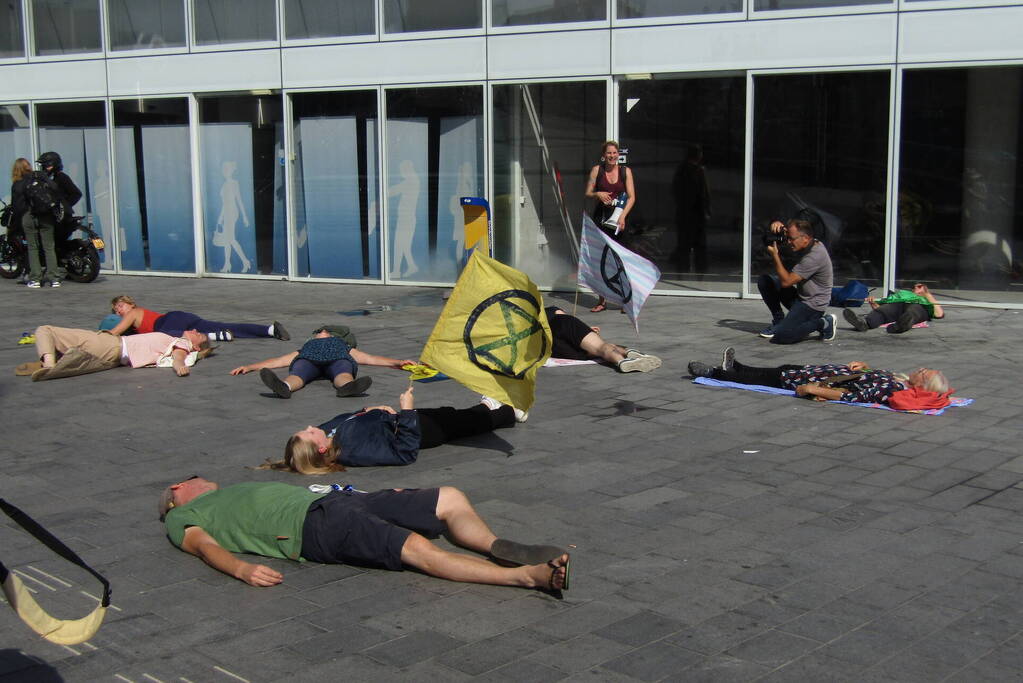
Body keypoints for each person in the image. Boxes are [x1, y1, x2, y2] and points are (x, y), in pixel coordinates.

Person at [158, 477, 570, 593]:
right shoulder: (183, 516)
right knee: (416, 549)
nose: (204, 479)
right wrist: (241, 570)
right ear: (178, 491)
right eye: (195, 478)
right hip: (312, 527)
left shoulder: (229, 492)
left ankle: (493, 545)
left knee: (449, 496)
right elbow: (206, 547)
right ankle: (524, 576)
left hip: (342, 501)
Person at [261, 385, 520, 471]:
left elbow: (350, 419)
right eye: (307, 432)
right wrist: (407, 411)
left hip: (400, 419)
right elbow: (404, 453)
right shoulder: (352, 451)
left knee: (453, 415)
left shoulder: (328, 433)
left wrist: (369, 411)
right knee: (468, 424)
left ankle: (488, 406)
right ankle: (509, 413)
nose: (309, 426)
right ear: (319, 447)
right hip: (420, 431)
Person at [688, 347, 949, 405]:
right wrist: (865, 366)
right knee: (779, 370)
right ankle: (737, 366)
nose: (922, 369)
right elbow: (867, 378)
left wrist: (814, 390)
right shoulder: (897, 379)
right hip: (821, 371)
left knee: (768, 379)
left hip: (816, 380)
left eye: (926, 374)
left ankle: (716, 373)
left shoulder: (893, 390)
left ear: (923, 385)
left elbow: (854, 395)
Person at [230, 326, 414, 398]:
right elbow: (280, 361)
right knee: (297, 374)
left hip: (338, 359)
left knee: (343, 373)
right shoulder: (306, 347)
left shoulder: (342, 346)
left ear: (336, 337)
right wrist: (250, 367)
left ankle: (347, 387)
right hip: (309, 360)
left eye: (324, 331)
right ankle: (284, 387)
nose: (321, 332)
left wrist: (397, 362)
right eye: (319, 332)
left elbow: (369, 358)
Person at [25, 326, 209, 380]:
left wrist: (180, 368)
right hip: (113, 353)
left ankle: (48, 364)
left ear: (197, 347)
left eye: (198, 334)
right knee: (60, 342)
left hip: (111, 345)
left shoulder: (182, 344)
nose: (194, 330)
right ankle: (53, 359)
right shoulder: (174, 341)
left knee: (44, 330)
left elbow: (179, 357)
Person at [757, 218, 835, 344]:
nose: (788, 242)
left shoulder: (815, 256)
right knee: (765, 281)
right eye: (788, 237)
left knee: (782, 336)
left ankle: (823, 323)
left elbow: (786, 282)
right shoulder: (805, 242)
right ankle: (779, 320)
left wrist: (775, 256)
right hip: (800, 298)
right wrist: (775, 223)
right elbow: (792, 230)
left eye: (791, 239)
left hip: (812, 306)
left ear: (806, 238)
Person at [585, 140, 636, 312]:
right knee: (601, 258)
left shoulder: (625, 171)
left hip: (620, 218)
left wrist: (623, 216)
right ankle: (602, 301)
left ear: (618, 155)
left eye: (615, 153)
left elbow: (631, 196)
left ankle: (625, 300)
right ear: (604, 155)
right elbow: (588, 192)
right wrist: (597, 193)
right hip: (601, 218)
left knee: (621, 258)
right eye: (609, 153)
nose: (612, 156)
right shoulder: (596, 171)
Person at [108, 295, 288, 342]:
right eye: (116, 311)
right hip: (182, 318)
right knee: (223, 325)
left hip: (168, 323)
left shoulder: (133, 313)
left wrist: (97, 336)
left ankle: (212, 337)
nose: (119, 312)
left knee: (164, 336)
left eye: (120, 307)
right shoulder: (132, 316)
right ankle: (269, 330)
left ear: (130, 304)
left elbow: (115, 332)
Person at [22, 151, 81, 288]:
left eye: (46, 165)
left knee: (41, 247)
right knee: (49, 247)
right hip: (50, 217)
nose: (44, 167)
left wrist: (63, 206)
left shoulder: (57, 178)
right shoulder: (44, 177)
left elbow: (76, 194)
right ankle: (54, 277)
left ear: (53, 165)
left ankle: (39, 276)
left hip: (56, 218)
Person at [545, 306, 660, 373]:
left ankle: (629, 355)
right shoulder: (549, 311)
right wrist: (586, 328)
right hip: (563, 325)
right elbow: (562, 316)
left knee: (588, 352)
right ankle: (623, 359)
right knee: (600, 346)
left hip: (553, 346)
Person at [844, 283, 945, 334]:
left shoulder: (925, 299)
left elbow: (939, 314)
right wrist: (875, 305)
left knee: (913, 311)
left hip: (918, 307)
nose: (916, 287)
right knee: (884, 310)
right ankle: (864, 323)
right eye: (915, 286)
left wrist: (926, 293)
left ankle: (900, 326)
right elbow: (883, 308)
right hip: (898, 304)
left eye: (919, 286)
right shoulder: (902, 293)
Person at [672, 144, 711, 275]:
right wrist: (706, 210)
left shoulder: (681, 170)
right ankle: (698, 270)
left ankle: (685, 269)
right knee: (697, 244)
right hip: (694, 212)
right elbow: (703, 193)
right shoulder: (697, 171)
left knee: (685, 243)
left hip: (686, 212)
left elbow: (675, 190)